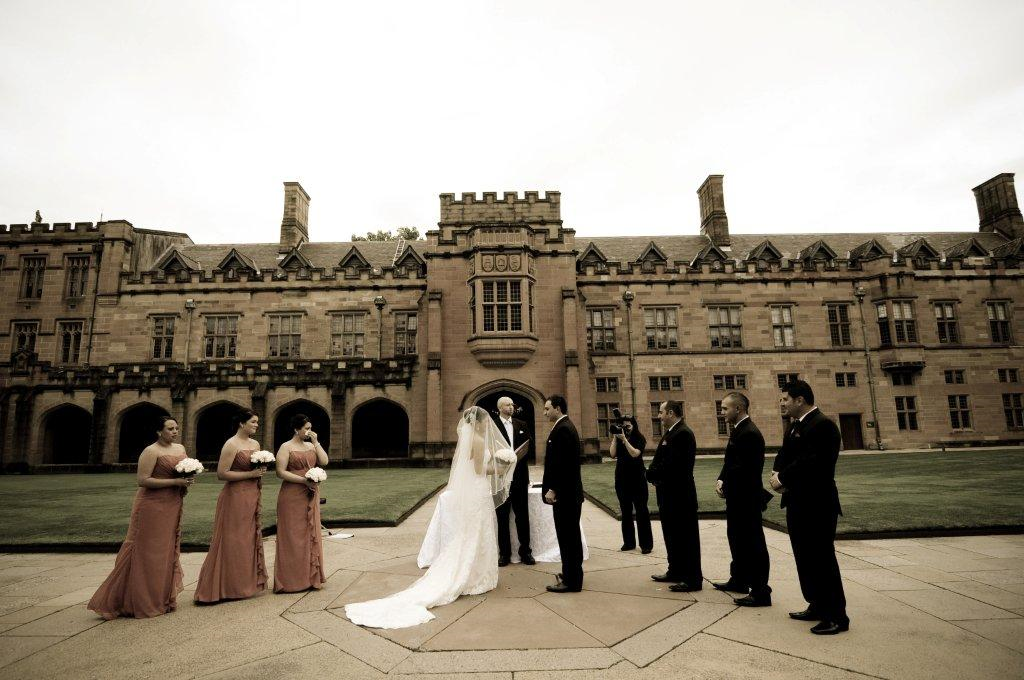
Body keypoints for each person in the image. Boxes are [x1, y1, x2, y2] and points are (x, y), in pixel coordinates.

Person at [345, 406, 516, 628]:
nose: (488, 424)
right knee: (477, 531)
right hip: (478, 491)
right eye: (486, 421)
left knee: (472, 532)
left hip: (476, 491)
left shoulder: (471, 439)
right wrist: (502, 468)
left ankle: (475, 572)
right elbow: (479, 471)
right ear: (479, 422)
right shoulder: (479, 440)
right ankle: (474, 576)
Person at [88, 415, 193, 619]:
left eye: (176, 428)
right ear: (159, 431)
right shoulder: (151, 451)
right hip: (151, 505)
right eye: (170, 428)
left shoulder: (180, 449)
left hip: (172, 503)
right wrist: (176, 482)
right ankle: (134, 599)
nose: (175, 431)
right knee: (146, 550)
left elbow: (181, 473)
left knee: (165, 550)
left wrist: (186, 481)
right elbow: (143, 480)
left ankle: (160, 597)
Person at [771, 380, 849, 635]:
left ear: (800, 400)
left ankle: (836, 616)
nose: (782, 403)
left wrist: (783, 478)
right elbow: (785, 454)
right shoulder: (796, 425)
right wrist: (776, 473)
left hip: (817, 503)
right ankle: (816, 604)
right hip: (797, 501)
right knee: (805, 558)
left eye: (785, 399)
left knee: (822, 559)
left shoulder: (823, 425)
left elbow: (812, 462)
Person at [194, 408, 268, 604]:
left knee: (247, 539)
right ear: (242, 424)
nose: (257, 425)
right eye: (253, 422)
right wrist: (250, 474)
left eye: (257, 422)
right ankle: (224, 587)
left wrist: (260, 470)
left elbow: (255, 468)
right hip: (235, 496)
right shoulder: (231, 444)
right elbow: (222, 473)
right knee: (233, 539)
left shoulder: (255, 444)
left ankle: (244, 585)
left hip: (252, 494)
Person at [714, 392, 772, 606]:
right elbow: (730, 462)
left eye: (725, 408)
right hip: (737, 496)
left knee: (752, 543)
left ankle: (760, 591)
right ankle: (739, 580)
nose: (722, 412)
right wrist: (721, 479)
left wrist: (727, 484)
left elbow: (746, 469)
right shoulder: (739, 430)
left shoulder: (749, 433)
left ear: (738, 409)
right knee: (737, 539)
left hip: (746, 498)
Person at [646, 400, 702, 592]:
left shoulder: (683, 433)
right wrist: (652, 473)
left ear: (670, 413)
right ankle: (675, 570)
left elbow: (674, 465)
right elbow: (658, 459)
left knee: (686, 538)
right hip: (668, 495)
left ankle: (692, 579)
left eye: (661, 412)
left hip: (680, 496)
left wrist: (652, 474)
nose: (658, 416)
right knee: (672, 535)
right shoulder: (671, 433)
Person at [274, 413, 329, 593]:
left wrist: (316, 442)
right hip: (292, 495)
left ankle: (311, 578)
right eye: (306, 428)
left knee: (310, 534)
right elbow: (280, 472)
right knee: (293, 536)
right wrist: (303, 481)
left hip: (310, 493)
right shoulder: (286, 447)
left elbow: (324, 461)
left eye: (310, 428)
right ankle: (291, 580)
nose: (309, 431)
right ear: (296, 429)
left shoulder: (311, 445)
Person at [541, 395, 585, 593]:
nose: (545, 412)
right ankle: (570, 574)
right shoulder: (562, 427)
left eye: (547, 408)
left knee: (569, 538)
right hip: (568, 494)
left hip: (565, 495)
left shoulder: (564, 429)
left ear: (557, 408)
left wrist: (553, 488)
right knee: (568, 537)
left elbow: (564, 464)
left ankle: (572, 581)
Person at [493, 396, 535, 566]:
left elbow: (529, 445)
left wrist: (518, 455)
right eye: (507, 405)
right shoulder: (492, 425)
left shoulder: (521, 424)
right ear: (500, 407)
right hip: (500, 478)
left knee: (522, 516)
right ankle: (504, 554)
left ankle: (526, 552)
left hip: (519, 476)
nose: (511, 407)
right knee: (502, 517)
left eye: (512, 405)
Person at [609, 414, 652, 554]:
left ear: (634, 426)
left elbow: (635, 454)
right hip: (622, 479)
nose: (626, 428)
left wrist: (625, 440)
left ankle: (646, 544)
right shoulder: (619, 438)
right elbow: (612, 454)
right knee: (625, 511)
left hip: (637, 479)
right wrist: (615, 437)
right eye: (623, 426)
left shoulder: (639, 438)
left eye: (628, 426)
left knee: (641, 511)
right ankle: (629, 542)